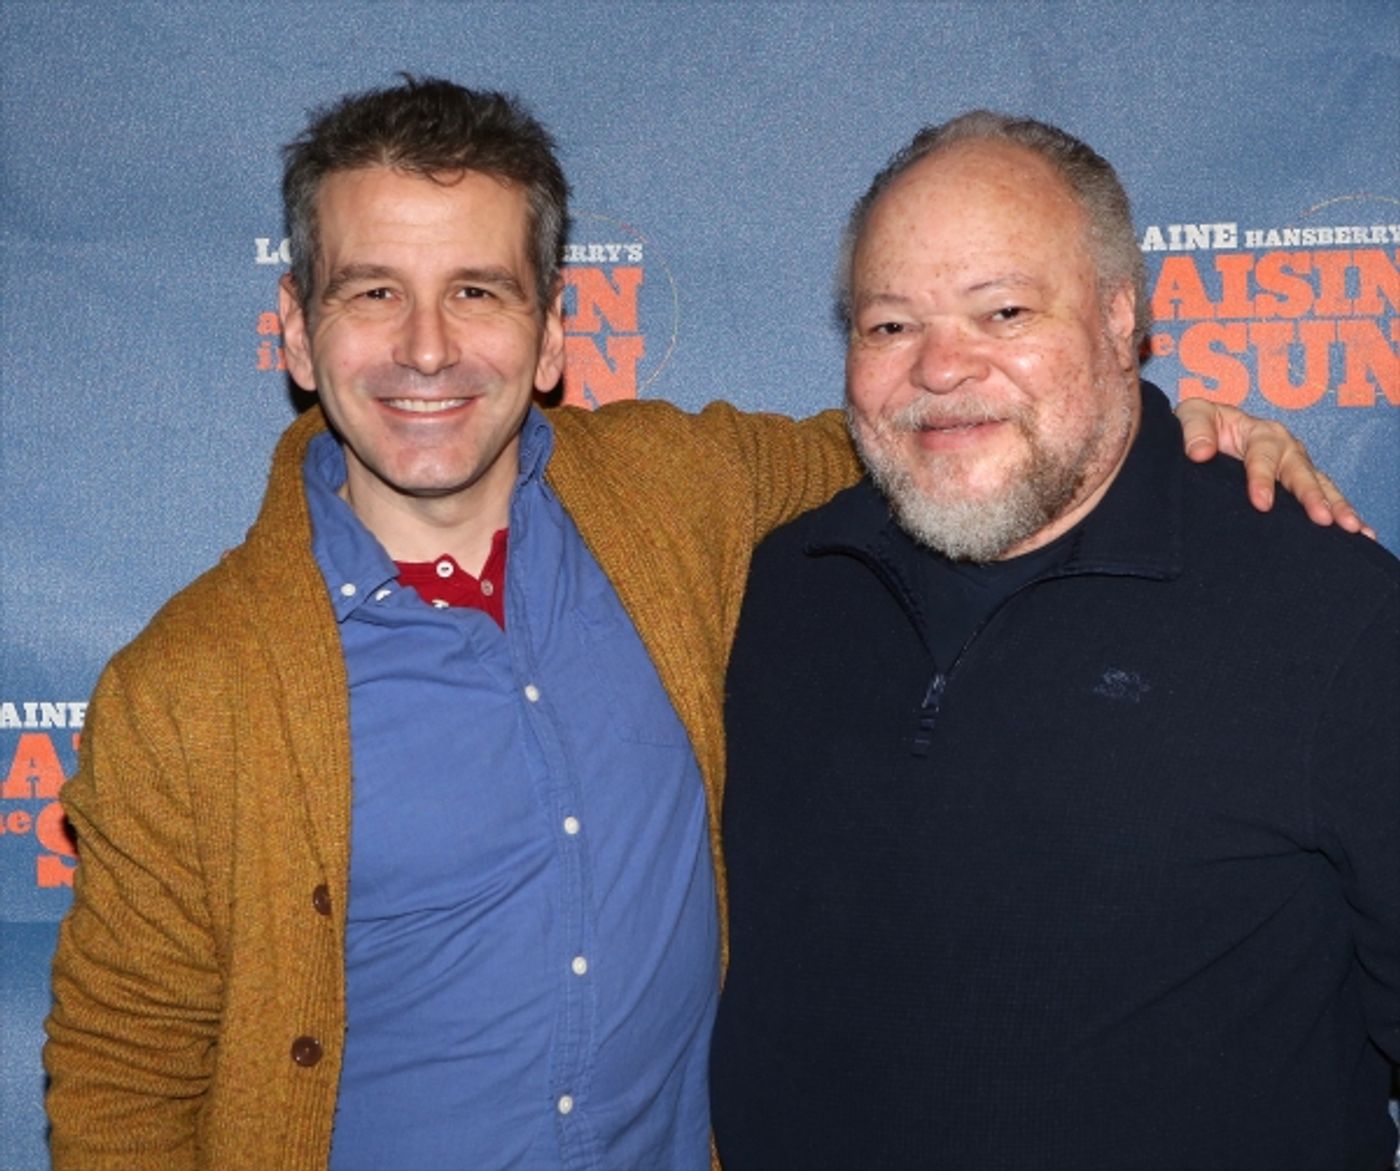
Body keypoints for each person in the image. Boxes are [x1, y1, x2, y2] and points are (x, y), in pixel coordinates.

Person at [43, 78, 1359, 1171]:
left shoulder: (686, 504)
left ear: (555, 331)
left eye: (481, 291)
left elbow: (952, 431)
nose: (428, 347)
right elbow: (121, 1074)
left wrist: (1179, 430)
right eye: (372, 290)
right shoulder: (187, 689)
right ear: (296, 334)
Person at [711, 110, 1400, 1171]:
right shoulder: (779, 584)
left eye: (1001, 311)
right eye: (888, 325)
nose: (940, 368)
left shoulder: (1329, 614)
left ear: (1120, 321)